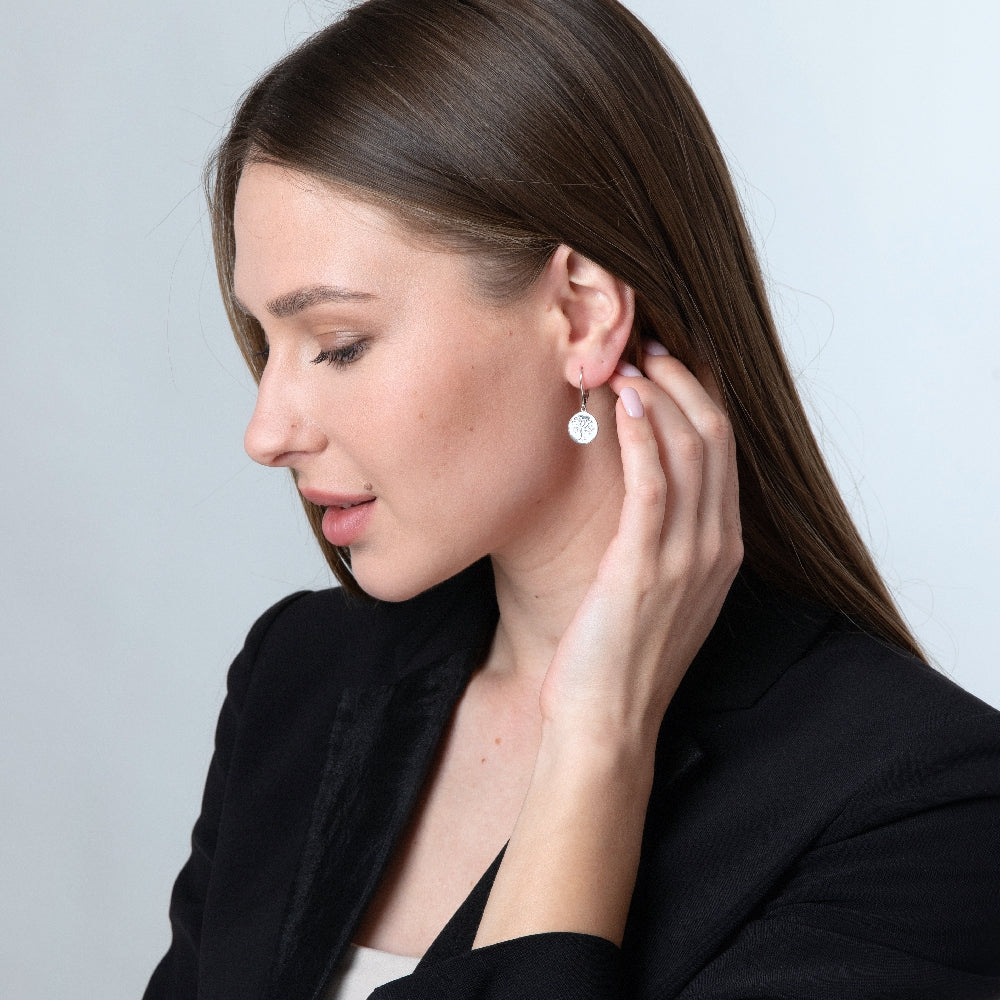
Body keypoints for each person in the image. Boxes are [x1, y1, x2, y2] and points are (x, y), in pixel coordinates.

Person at [144, 1, 1000, 997]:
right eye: (265, 345)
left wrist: (595, 747)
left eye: (337, 343)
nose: (265, 431)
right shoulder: (297, 679)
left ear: (581, 314)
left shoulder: (921, 805)